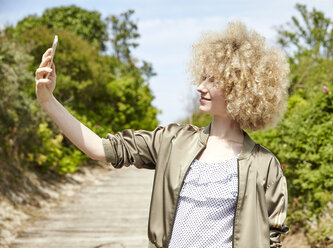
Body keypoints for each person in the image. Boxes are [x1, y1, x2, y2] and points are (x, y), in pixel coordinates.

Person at [35, 21, 290, 248]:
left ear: (240, 89)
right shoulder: (173, 141)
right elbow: (100, 149)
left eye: (213, 80)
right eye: (203, 77)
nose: (200, 86)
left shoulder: (265, 166)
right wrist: (48, 101)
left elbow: (272, 237)